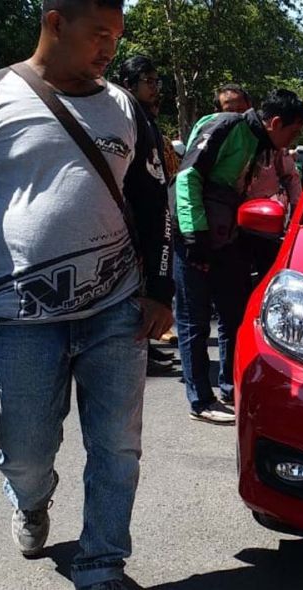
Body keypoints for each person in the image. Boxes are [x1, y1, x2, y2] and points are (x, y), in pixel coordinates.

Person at [0, 1, 174, 588]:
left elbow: (156, 202)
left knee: (117, 447)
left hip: (117, 309)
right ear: (55, 22)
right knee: (26, 450)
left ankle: (102, 562)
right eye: (98, 34)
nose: (110, 49)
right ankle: (31, 498)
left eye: (116, 36)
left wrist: (160, 290)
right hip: (22, 315)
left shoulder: (125, 106)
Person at [173, 88, 303, 424]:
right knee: (194, 321)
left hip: (227, 236)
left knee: (234, 315)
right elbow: (188, 176)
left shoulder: (261, 143)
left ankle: (230, 388)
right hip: (194, 235)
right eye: (293, 131)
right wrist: (194, 235)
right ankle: (200, 400)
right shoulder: (227, 126)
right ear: (275, 123)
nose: (293, 140)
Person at [118, 55, 178, 376]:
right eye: (148, 82)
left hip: (147, 222)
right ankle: (141, 352)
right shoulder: (122, 118)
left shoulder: (148, 120)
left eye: (157, 81)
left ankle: (146, 350)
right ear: (128, 85)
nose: (155, 88)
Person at [214, 83, 302, 279]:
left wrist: (297, 216)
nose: (237, 117)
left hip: (266, 222)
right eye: (230, 112)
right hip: (229, 225)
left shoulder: (273, 141)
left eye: (241, 110)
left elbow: (291, 176)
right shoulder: (220, 139)